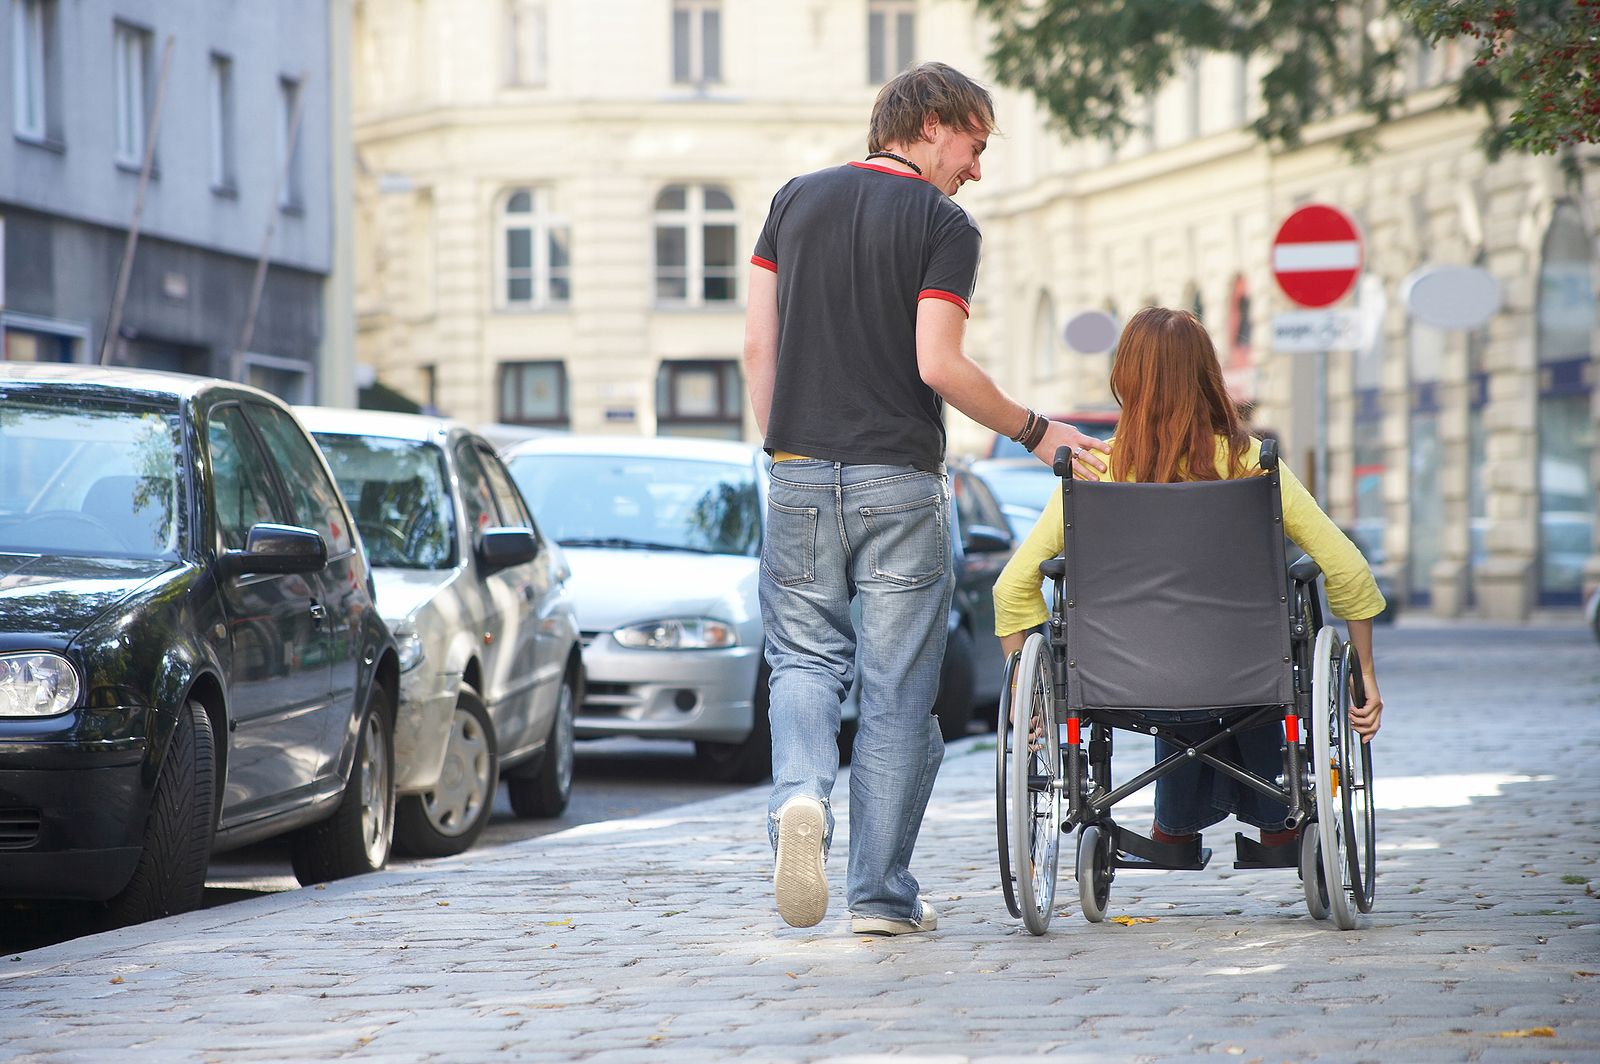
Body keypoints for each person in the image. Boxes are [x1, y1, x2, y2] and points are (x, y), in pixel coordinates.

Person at [742, 61, 1110, 936]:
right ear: (934, 124)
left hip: (796, 466)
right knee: (899, 691)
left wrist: (787, 445)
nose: (976, 169)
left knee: (801, 660)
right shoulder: (945, 225)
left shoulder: (793, 201)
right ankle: (878, 897)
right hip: (898, 481)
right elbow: (936, 364)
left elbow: (758, 345)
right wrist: (1035, 430)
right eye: (976, 146)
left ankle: (802, 800)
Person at [993, 306, 1385, 854]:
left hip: (1125, 674)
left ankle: (1171, 829)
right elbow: (1348, 569)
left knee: (1173, 661)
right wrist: (1363, 673)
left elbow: (1011, 588)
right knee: (1245, 660)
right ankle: (1278, 821)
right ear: (1208, 376)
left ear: (1123, 379)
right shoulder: (1253, 464)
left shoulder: (1097, 473)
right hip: (1246, 667)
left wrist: (1029, 703)